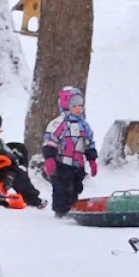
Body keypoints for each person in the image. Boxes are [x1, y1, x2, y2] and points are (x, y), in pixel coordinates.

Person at [42, 87, 98, 217]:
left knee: (76, 186)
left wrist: (92, 159)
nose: (78, 109)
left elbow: (89, 142)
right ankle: (61, 210)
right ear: (66, 106)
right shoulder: (59, 123)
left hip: (78, 163)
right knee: (62, 187)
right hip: (62, 162)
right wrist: (49, 158)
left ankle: (73, 207)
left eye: (80, 105)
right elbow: (50, 140)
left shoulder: (84, 125)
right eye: (74, 106)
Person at [0, 107, 45, 209]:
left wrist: (13, 159)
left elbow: (7, 153)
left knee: (18, 169)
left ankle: (32, 198)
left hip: (2, 170)